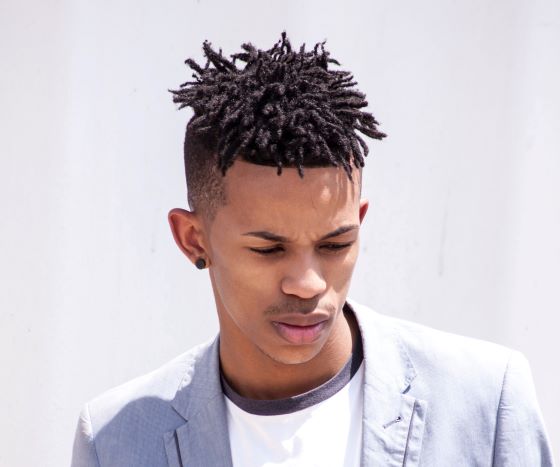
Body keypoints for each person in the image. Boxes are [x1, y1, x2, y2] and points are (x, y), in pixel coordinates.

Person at [71, 32, 555, 467]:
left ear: (359, 222)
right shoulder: (115, 442)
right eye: (269, 249)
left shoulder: (486, 402)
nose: (308, 284)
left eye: (334, 243)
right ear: (193, 239)